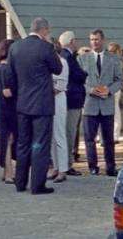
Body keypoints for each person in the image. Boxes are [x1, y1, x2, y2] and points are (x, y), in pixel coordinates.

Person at [9, 18, 63, 195]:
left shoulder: (15, 47)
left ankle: (20, 181)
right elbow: (58, 69)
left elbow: (10, 75)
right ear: (45, 31)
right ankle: (37, 184)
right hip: (42, 104)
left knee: (23, 143)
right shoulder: (45, 47)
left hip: (23, 102)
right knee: (40, 144)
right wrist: (49, 47)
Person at [79, 29, 122, 177]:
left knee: (108, 139)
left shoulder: (113, 58)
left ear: (102, 40)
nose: (94, 42)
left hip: (106, 104)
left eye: (96, 39)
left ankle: (110, 167)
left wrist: (109, 90)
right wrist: (89, 90)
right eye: (91, 40)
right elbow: (77, 81)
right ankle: (93, 166)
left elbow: (119, 80)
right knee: (89, 138)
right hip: (90, 104)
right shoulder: (83, 59)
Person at [59, 31, 86, 173]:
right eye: (75, 40)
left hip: (69, 99)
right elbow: (78, 75)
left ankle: (65, 162)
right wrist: (85, 73)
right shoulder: (68, 57)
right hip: (72, 99)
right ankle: (67, 163)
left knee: (67, 132)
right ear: (71, 41)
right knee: (70, 132)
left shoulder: (65, 56)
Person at [0, 39, 17, 183]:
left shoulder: (0, 67)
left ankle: (6, 170)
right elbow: (8, 91)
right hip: (9, 108)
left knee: (5, 140)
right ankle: (9, 172)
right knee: (9, 140)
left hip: (1, 107)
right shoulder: (7, 68)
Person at [48, 37, 70, 184]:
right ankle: (55, 166)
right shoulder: (48, 64)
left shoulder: (62, 62)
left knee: (59, 135)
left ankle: (63, 168)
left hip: (58, 98)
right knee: (51, 137)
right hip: (48, 100)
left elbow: (60, 85)